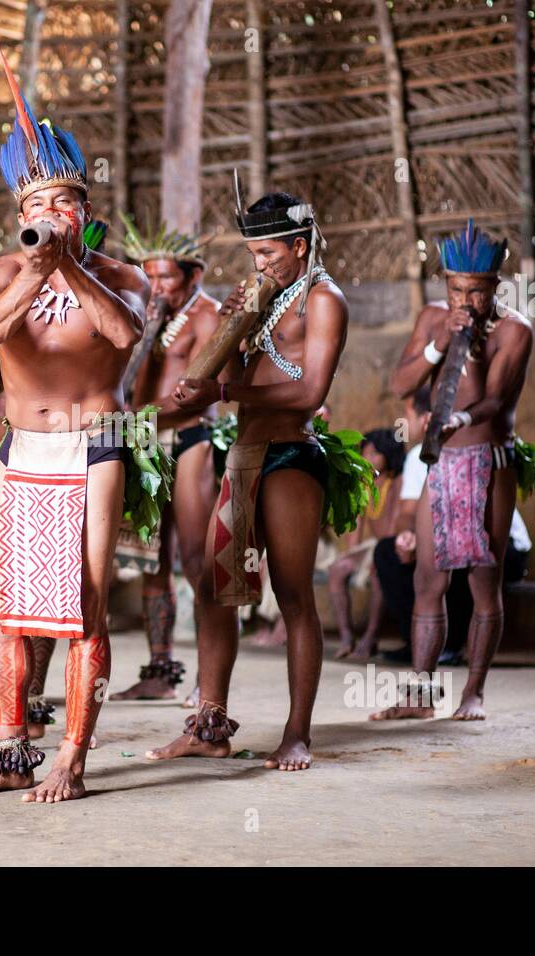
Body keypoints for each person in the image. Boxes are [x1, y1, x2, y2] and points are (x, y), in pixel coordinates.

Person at [0, 42, 157, 802]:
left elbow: (125, 335)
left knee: (87, 605)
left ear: (86, 212)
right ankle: (10, 752)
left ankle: (72, 754)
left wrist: (69, 266)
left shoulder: (123, 277)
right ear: (19, 216)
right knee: (0, 603)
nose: (49, 216)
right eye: (36, 208)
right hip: (22, 446)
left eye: (63, 204)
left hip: (94, 444)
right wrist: (38, 269)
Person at [147, 188, 358, 771]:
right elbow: (240, 372)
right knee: (216, 594)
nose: (258, 264)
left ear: (298, 245)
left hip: (292, 454)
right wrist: (235, 330)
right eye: (252, 254)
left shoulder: (323, 300)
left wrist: (224, 391)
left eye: (268, 253)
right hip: (245, 451)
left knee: (292, 597)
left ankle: (297, 734)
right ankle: (209, 726)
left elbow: (310, 392)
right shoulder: (266, 299)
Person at [372, 220, 531, 721]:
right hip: (440, 463)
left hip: (488, 460)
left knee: (485, 579)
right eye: (456, 288)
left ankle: (474, 693)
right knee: (427, 580)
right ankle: (420, 694)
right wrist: (440, 345)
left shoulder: (515, 330)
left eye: (476, 291)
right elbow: (400, 382)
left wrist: (466, 379)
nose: (465, 299)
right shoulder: (433, 318)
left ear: (495, 288)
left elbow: (492, 401)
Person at [109, 215, 222, 701]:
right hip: (146, 444)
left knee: (197, 561)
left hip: (189, 440)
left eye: (166, 277)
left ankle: (208, 676)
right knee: (153, 563)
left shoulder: (208, 315)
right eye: (149, 276)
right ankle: (160, 670)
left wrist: (138, 416)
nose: (156, 286)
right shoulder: (141, 313)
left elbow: (197, 391)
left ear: (192, 276)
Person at [327, 428, 404, 660]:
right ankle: (347, 636)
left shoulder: (396, 482)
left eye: (374, 454)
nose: (368, 459)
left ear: (388, 454)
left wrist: (378, 557)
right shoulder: (365, 482)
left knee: (378, 573)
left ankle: (371, 637)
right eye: (366, 454)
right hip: (370, 546)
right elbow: (357, 525)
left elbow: (394, 525)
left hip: (389, 544)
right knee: (336, 570)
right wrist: (351, 555)